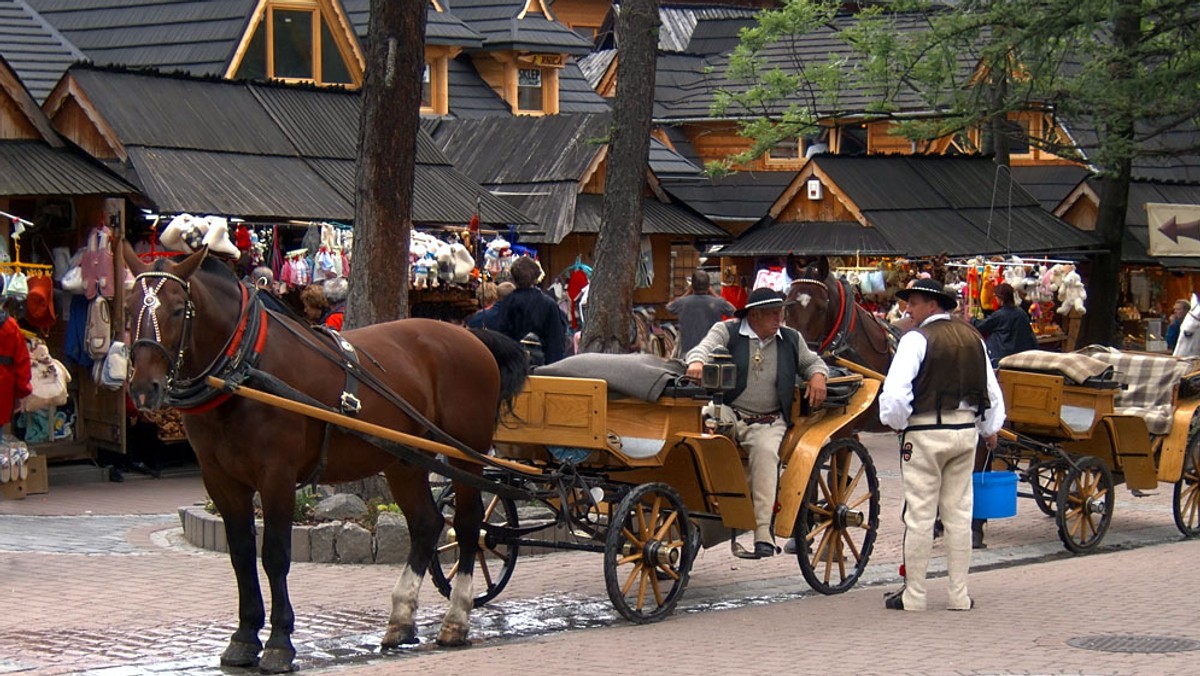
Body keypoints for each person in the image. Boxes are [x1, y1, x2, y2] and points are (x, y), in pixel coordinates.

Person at [879, 278, 1005, 612]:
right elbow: (991, 393)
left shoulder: (916, 340)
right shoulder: (973, 339)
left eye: (914, 303)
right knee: (959, 514)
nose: (908, 309)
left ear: (932, 305)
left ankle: (915, 595)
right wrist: (988, 427)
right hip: (964, 434)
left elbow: (894, 397)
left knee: (919, 515)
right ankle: (958, 595)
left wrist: (898, 423)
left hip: (924, 434)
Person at [685, 287, 829, 558]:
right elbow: (701, 349)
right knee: (702, 424)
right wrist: (696, 363)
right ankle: (699, 508)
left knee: (765, 455)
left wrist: (819, 375)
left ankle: (763, 532)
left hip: (768, 421)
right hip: (729, 410)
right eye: (774, 314)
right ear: (755, 315)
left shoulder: (790, 339)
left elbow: (813, 362)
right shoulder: (726, 331)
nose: (780, 319)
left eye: (781, 313)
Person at [968, 281, 1035, 548]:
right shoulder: (1020, 315)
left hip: (1001, 365)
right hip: (1021, 365)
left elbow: (980, 328)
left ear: (998, 298)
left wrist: (973, 318)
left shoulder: (999, 316)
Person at [495, 257, 568, 364]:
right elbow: (556, 341)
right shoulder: (549, 304)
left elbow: (502, 337)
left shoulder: (508, 303)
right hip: (544, 366)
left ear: (514, 279)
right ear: (536, 277)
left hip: (514, 365)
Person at [668, 271, 736, 357]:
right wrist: (714, 293)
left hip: (687, 354)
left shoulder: (683, 302)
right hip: (711, 352)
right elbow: (734, 312)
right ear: (708, 286)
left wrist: (687, 292)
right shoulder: (718, 303)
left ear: (692, 286)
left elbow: (669, 307)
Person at [972, 283, 1037, 369]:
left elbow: (981, 326)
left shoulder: (999, 315)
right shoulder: (1021, 313)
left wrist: (972, 319)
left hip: (1001, 357)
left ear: (1000, 298)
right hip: (1021, 355)